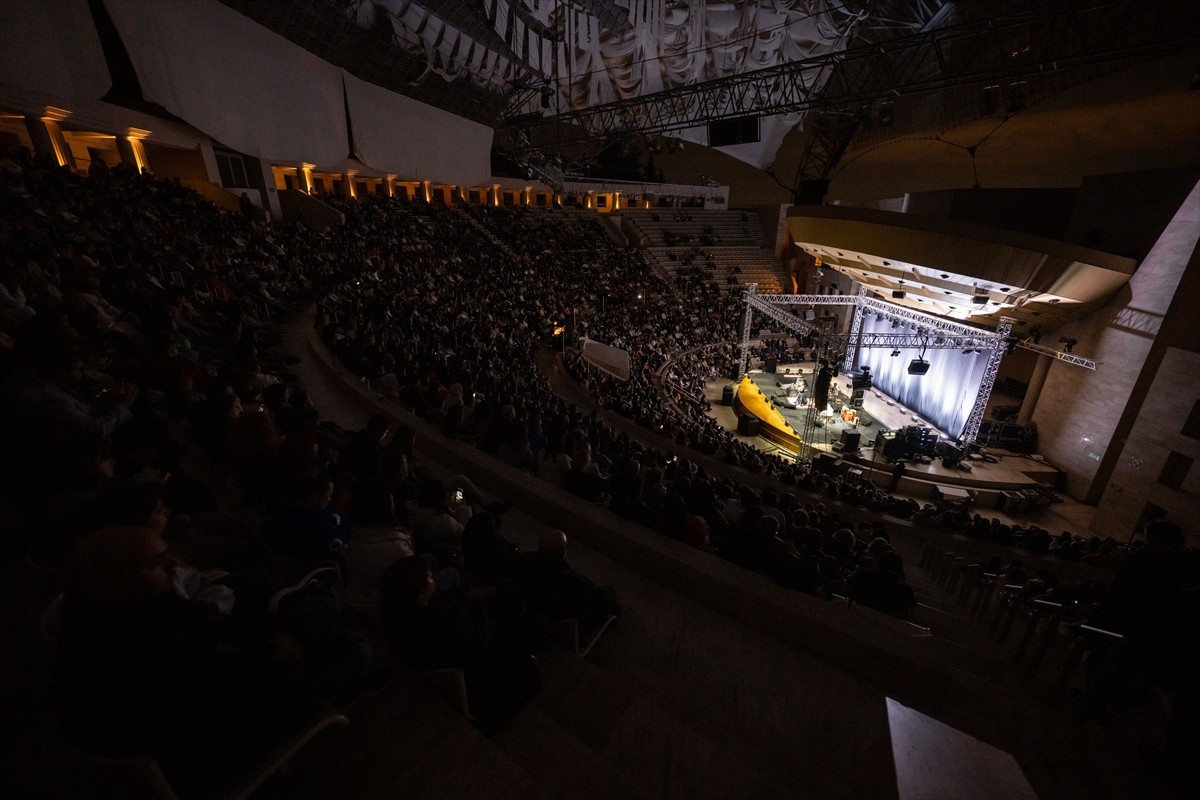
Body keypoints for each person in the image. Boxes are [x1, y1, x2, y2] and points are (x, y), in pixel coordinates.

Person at [53, 527, 373, 791]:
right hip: (205, 754)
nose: (173, 567)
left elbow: (196, 621)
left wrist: (267, 637)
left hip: (189, 722)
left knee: (305, 616)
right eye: (157, 563)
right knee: (353, 650)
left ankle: (306, 612)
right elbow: (230, 686)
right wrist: (281, 657)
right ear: (112, 583)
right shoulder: (135, 649)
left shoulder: (103, 609)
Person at [516, 529, 620, 635]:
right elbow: (588, 594)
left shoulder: (525, 560)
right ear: (563, 554)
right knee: (610, 593)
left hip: (538, 608)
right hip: (560, 616)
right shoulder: (569, 581)